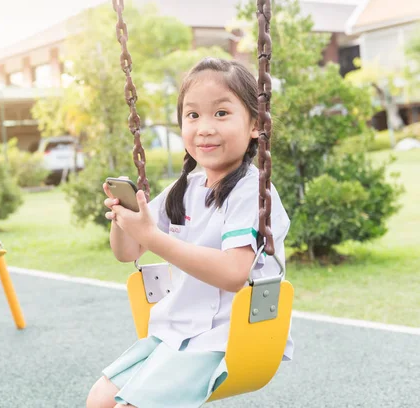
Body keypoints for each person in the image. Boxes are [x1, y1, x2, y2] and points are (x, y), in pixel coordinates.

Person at [86, 58, 293, 408]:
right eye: (193, 115)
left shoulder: (253, 192)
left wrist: (152, 237)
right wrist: (123, 219)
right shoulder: (186, 187)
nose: (205, 128)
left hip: (227, 339)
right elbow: (128, 252)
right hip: (176, 331)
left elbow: (232, 273)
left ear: (255, 124)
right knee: (100, 400)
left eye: (221, 114)